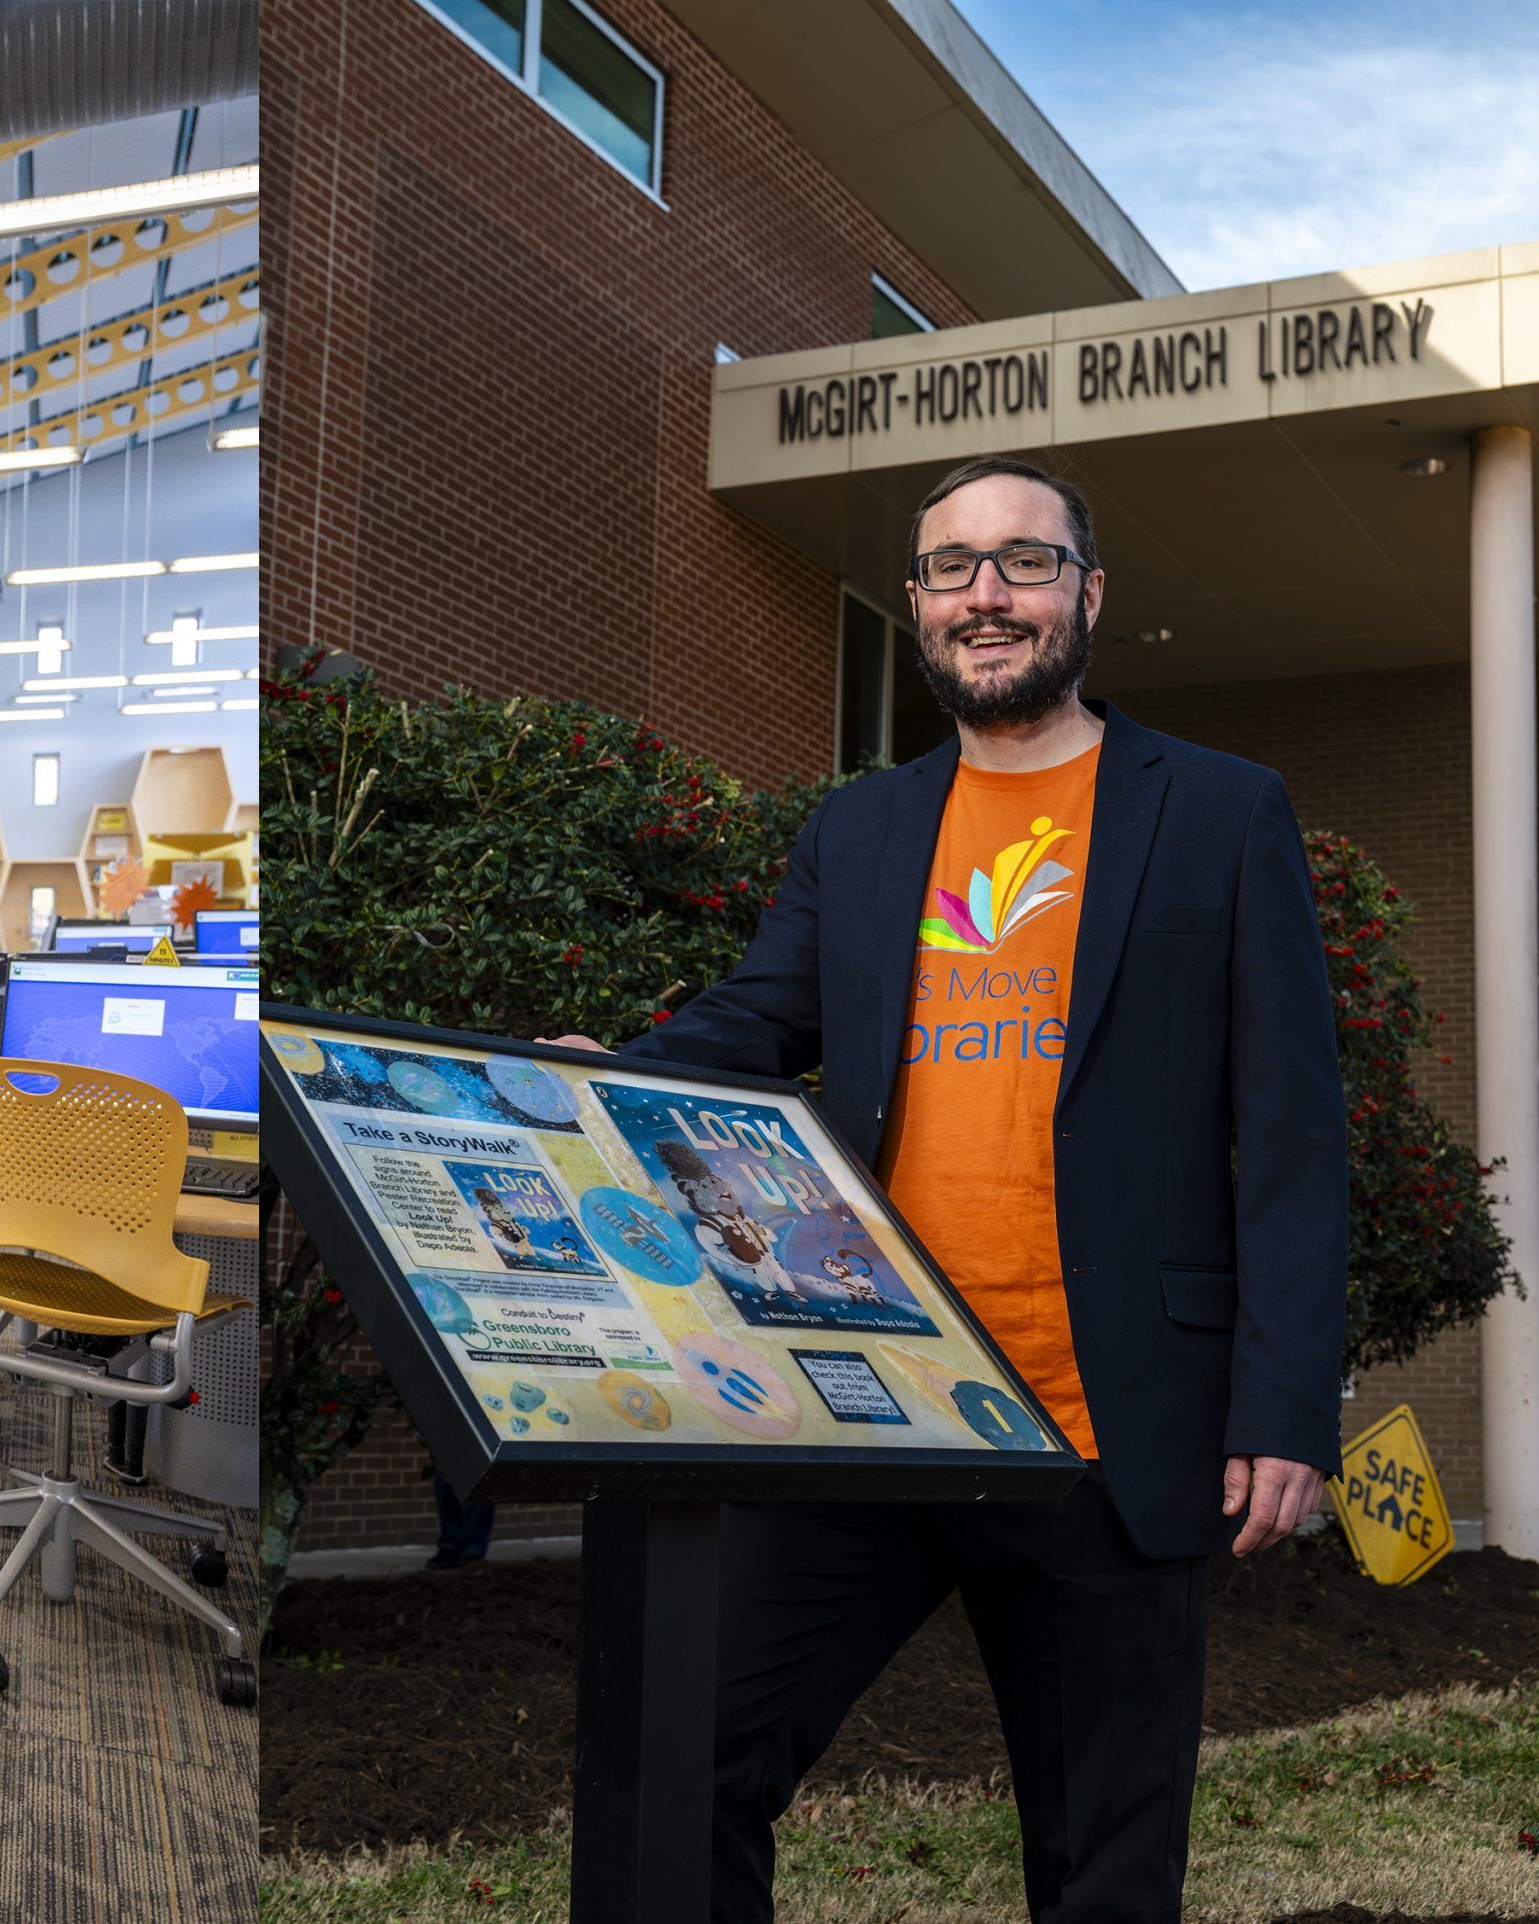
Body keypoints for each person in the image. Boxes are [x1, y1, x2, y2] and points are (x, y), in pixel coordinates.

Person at [551, 455, 1346, 1922]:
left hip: (1109, 1427)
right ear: (918, 606)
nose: (987, 595)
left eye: (1024, 563)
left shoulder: (1221, 813)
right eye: (951, 569)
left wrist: (1286, 1407)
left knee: (1103, 1859)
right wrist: (612, 1074)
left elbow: (1292, 1130)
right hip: (875, 1398)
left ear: (1087, 594)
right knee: (688, 1757)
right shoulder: (858, 831)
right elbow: (753, 1019)